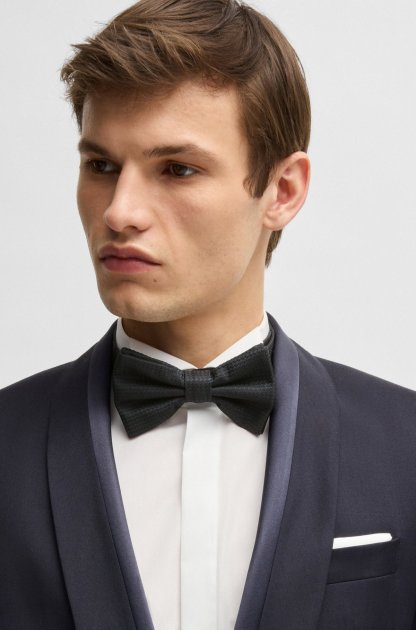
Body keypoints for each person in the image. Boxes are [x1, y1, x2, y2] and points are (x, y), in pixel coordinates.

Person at [1, 0, 415, 628]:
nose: (119, 212)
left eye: (178, 169)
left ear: (283, 191)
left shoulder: (405, 446)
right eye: (101, 166)